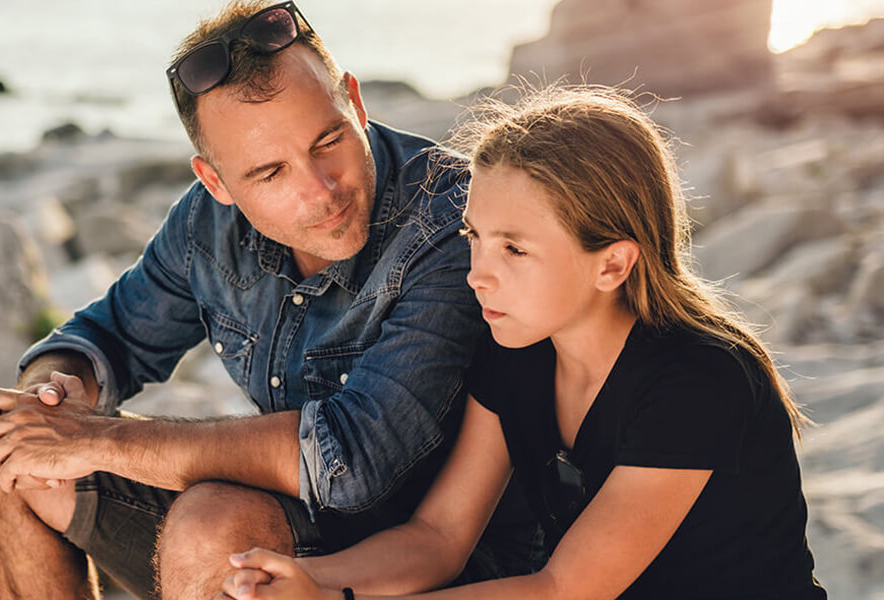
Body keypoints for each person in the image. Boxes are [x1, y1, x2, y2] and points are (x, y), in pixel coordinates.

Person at [0, 2, 540, 600]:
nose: (321, 190)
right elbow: (106, 338)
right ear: (216, 182)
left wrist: (94, 441)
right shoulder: (206, 226)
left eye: (329, 140)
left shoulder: (455, 223)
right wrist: (49, 397)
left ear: (356, 104)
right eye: (269, 173)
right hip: (285, 525)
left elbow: (352, 460)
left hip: (441, 562)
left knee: (214, 528)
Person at [216, 85, 827, 600]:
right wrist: (310, 581)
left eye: (514, 248)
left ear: (612, 265)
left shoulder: (700, 380)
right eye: (474, 235)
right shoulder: (518, 352)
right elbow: (439, 538)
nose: (478, 272)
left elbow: (563, 589)